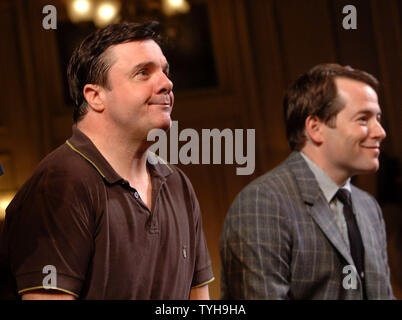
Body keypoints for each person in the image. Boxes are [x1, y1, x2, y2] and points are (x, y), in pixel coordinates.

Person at [0, 21, 213, 300]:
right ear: (95, 96)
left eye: (164, 71)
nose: (167, 83)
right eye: (143, 73)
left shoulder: (178, 184)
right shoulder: (60, 184)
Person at [220, 63, 394, 299]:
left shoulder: (368, 207)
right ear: (315, 128)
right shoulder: (262, 204)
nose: (380, 131)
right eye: (363, 119)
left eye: (378, 118)